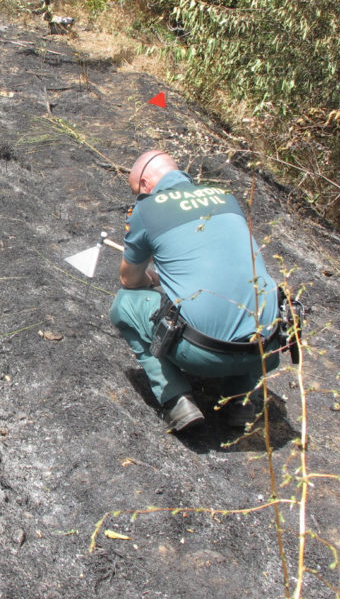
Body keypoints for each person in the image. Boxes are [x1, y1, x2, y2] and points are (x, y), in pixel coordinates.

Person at [110, 150, 281, 432]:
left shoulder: (148, 208)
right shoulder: (225, 197)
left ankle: (176, 400)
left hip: (201, 354)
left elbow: (129, 279)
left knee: (123, 304)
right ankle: (239, 400)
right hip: (268, 349)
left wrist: (153, 279)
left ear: (145, 184)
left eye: (138, 193)